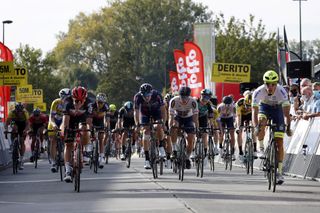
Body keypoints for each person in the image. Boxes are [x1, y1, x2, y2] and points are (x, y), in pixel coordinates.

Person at [252, 70, 292, 185]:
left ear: (276, 84)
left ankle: (279, 171)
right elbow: (254, 113)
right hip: (264, 107)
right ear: (264, 83)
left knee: (279, 142)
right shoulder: (258, 92)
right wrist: (256, 127)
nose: (270, 87)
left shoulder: (282, 92)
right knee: (261, 122)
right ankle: (261, 148)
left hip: (277, 109)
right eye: (267, 84)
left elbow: (287, 114)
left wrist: (288, 127)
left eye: (273, 84)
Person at [61, 86, 93, 182]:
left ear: (85, 99)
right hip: (70, 120)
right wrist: (66, 131)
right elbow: (66, 120)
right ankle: (67, 170)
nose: (78, 103)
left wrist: (88, 133)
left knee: (85, 128)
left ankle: (86, 150)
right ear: (72, 98)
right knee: (68, 144)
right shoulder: (67, 102)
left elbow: (89, 122)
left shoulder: (89, 103)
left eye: (81, 101)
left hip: (82, 119)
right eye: (76, 101)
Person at [134, 83, 166, 169]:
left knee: (159, 126)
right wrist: (137, 123)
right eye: (144, 95)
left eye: (148, 95)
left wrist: (164, 122)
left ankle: (161, 146)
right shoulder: (137, 97)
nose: (147, 97)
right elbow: (136, 112)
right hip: (145, 113)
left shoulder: (157, 95)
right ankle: (147, 159)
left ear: (151, 93)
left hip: (156, 112)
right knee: (145, 131)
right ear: (141, 94)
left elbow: (163, 110)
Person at [169, 86, 199, 169]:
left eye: (186, 97)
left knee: (191, 139)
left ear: (189, 96)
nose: (184, 99)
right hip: (177, 117)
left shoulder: (193, 102)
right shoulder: (174, 101)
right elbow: (171, 117)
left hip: (188, 119)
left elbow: (195, 117)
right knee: (174, 126)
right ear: (179, 95)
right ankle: (174, 149)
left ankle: (187, 158)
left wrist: (196, 128)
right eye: (182, 97)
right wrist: (170, 127)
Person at [47, 88, 71, 172]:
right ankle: (53, 162)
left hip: (64, 121)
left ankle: (65, 156)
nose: (65, 99)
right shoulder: (56, 102)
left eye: (67, 97)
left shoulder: (70, 103)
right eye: (63, 97)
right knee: (53, 140)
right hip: (55, 120)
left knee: (67, 139)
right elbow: (51, 117)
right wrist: (53, 125)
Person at [4, 103, 30, 170]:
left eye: (20, 112)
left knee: (22, 141)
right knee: (14, 129)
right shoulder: (12, 113)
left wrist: (25, 130)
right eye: (18, 112)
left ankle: (21, 159)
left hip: (23, 124)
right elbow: (7, 123)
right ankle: (13, 144)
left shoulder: (25, 113)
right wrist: (6, 130)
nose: (19, 113)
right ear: (15, 111)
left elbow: (28, 124)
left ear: (22, 111)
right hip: (15, 123)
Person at [88, 93, 109, 168]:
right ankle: (90, 149)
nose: (100, 104)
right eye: (99, 102)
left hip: (100, 121)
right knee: (90, 134)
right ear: (96, 101)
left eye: (102, 103)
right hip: (93, 120)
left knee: (101, 138)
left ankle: (101, 157)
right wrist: (90, 128)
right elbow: (89, 119)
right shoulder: (91, 106)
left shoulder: (106, 106)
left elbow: (107, 119)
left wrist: (107, 126)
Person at [235, 91, 257, 161]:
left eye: (249, 106)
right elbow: (238, 116)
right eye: (246, 105)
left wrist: (256, 125)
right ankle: (240, 151)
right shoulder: (239, 103)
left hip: (251, 114)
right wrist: (238, 127)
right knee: (239, 132)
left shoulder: (255, 101)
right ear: (244, 102)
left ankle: (255, 149)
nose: (247, 107)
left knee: (254, 129)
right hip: (242, 115)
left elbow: (256, 114)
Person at [195, 89, 214, 159]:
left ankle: (205, 152)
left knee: (204, 135)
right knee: (193, 133)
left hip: (203, 119)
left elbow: (211, 116)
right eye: (204, 98)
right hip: (194, 118)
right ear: (201, 96)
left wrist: (211, 126)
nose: (205, 100)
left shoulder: (208, 104)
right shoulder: (195, 102)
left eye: (208, 98)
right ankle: (194, 150)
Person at [217, 95, 236, 160]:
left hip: (229, 119)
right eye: (226, 104)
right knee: (221, 134)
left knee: (232, 135)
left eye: (229, 104)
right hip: (222, 119)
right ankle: (220, 147)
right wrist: (219, 128)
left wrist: (235, 125)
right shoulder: (220, 106)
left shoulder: (233, 106)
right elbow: (217, 117)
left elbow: (235, 116)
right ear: (223, 103)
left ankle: (232, 152)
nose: (227, 106)